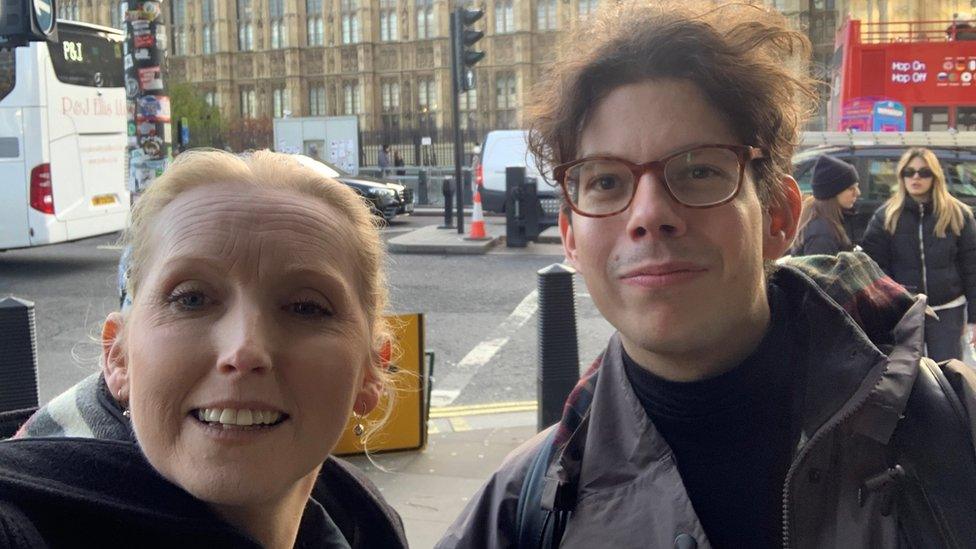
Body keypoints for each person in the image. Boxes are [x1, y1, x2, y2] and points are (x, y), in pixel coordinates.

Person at [437, 1, 976, 548]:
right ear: (572, 238)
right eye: (605, 182)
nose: (648, 214)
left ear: (779, 216)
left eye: (699, 170)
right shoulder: (520, 511)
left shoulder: (957, 431)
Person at [0, 150, 408, 548]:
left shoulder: (365, 522)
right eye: (191, 299)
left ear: (373, 371)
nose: (244, 351)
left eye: (305, 308)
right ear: (117, 357)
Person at [861, 147, 976, 362]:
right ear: (901, 176)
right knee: (907, 377)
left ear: (935, 176)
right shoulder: (885, 216)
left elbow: (972, 267)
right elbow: (874, 266)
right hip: (905, 311)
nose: (916, 177)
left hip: (948, 310)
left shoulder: (958, 214)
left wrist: (974, 319)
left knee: (948, 374)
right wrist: (894, 298)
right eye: (909, 172)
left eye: (924, 172)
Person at [790, 155, 860, 255]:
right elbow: (819, 270)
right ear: (833, 192)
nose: (858, 193)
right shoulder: (822, 235)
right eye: (851, 188)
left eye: (857, 187)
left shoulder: (831, 223)